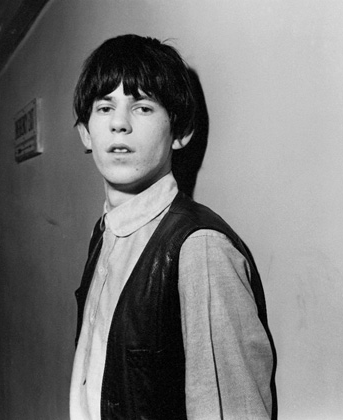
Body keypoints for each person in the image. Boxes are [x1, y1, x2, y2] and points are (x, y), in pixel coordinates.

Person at [70, 34, 276, 420]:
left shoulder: (200, 248)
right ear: (85, 132)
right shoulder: (105, 232)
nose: (119, 124)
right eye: (105, 107)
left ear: (180, 133)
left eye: (143, 107)